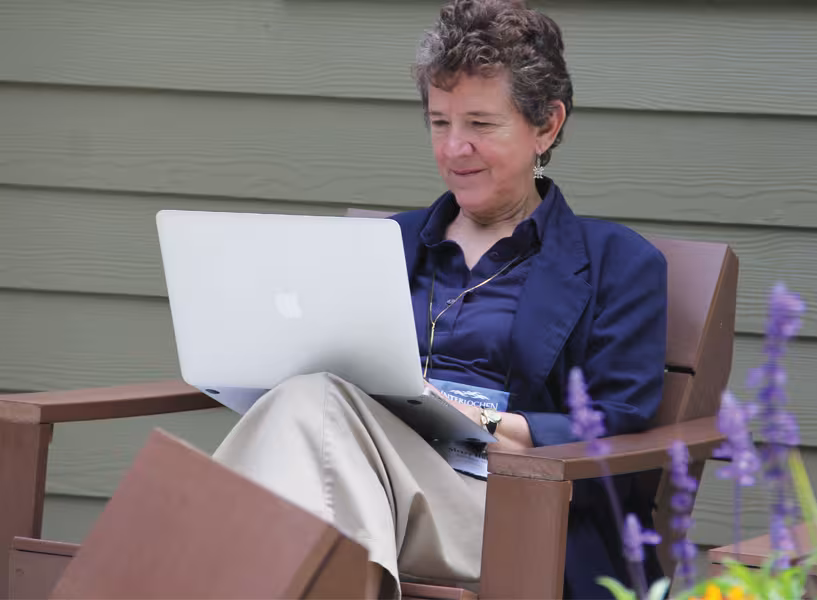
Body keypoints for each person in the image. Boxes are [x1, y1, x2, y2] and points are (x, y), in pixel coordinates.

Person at [212, 0, 667, 598]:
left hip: (503, 503)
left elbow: (619, 422)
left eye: (480, 124)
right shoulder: (385, 244)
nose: (454, 149)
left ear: (547, 126)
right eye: (439, 123)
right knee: (308, 405)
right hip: (358, 480)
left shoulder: (619, 263)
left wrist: (494, 424)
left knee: (312, 406)